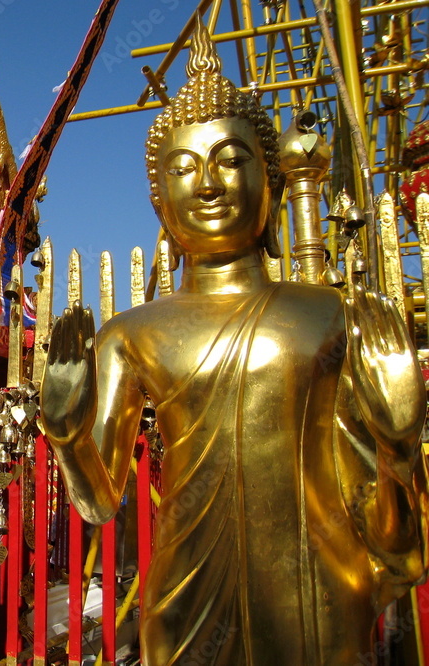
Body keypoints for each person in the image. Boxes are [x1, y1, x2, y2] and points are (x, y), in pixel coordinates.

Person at [40, 21, 427, 665]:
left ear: (272, 184)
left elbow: (394, 543)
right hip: (187, 600)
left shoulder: (332, 315)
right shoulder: (133, 334)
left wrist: (398, 450)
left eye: (231, 160)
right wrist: (65, 431)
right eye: (184, 169)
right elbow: (101, 500)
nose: (210, 184)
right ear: (160, 202)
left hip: (319, 596)